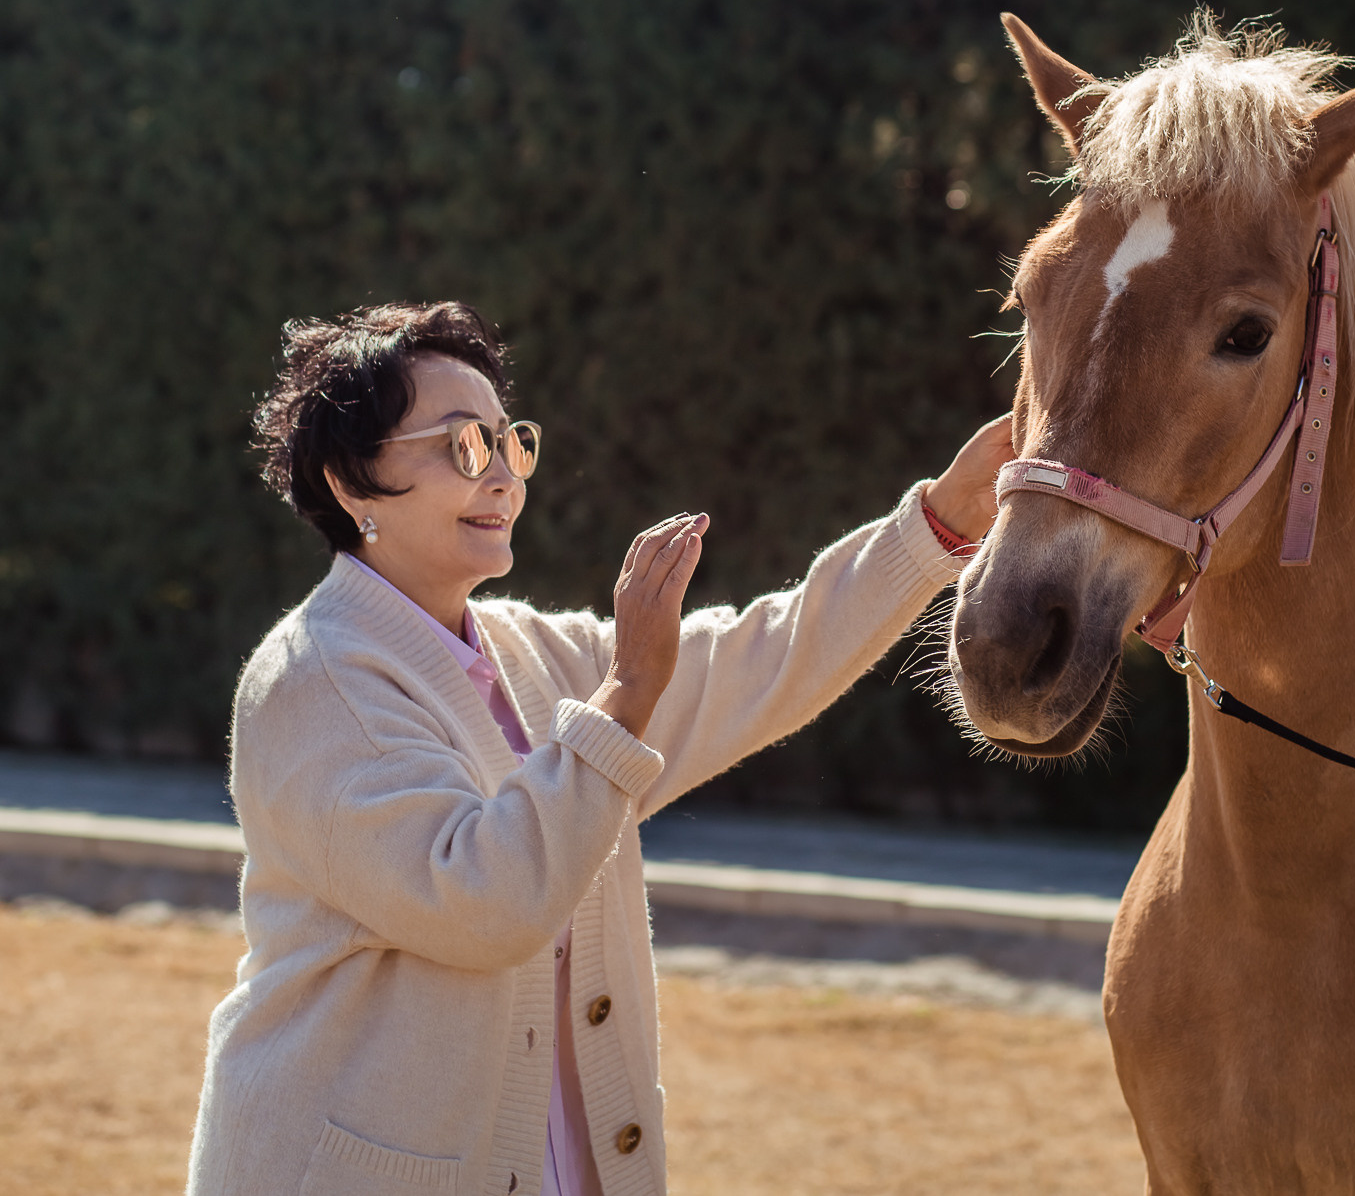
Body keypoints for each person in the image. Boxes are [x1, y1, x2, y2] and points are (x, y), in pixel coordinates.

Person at [188, 300, 1011, 1196]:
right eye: (464, 445)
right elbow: (485, 902)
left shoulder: (533, 653)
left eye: (512, 442)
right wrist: (625, 694)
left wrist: (936, 526)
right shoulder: (310, 683)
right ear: (351, 482)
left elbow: (763, 659)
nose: (503, 476)